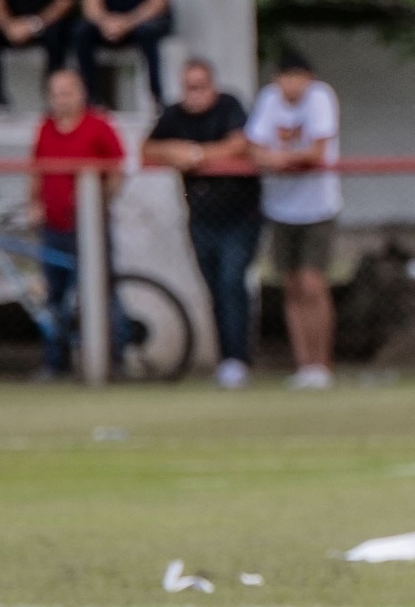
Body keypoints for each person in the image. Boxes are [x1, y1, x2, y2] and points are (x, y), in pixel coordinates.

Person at [143, 57, 261, 388]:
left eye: (200, 86)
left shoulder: (229, 106)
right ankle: (227, 358)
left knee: (231, 282)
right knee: (214, 289)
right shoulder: (175, 114)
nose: (194, 93)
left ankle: (238, 358)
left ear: (212, 85)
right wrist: (175, 150)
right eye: (188, 87)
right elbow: (147, 148)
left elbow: (241, 143)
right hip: (201, 217)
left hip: (239, 215)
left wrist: (197, 156)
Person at [246, 49, 341, 390]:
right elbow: (254, 147)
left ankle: (322, 364)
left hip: (318, 207)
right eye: (287, 77)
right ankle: (304, 365)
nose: (292, 84)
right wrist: (282, 160)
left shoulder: (320, 98)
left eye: (299, 77)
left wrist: (279, 159)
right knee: (291, 287)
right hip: (280, 207)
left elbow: (316, 151)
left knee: (313, 284)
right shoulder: (269, 100)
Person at [26, 67, 125, 377]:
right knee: (53, 296)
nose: (61, 99)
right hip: (54, 227)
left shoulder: (98, 125)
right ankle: (55, 363)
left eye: (67, 92)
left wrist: (98, 204)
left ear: (81, 93)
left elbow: (117, 170)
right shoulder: (45, 128)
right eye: (55, 93)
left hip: (89, 228)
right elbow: (36, 170)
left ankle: (116, 359)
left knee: (103, 292)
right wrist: (35, 203)